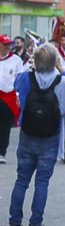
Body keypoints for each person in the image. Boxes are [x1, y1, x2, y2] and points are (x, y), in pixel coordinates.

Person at [5, 45, 65, 226]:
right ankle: (35, 225)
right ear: (54, 61)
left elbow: (15, 85)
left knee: (21, 180)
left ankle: (14, 223)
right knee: (41, 182)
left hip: (27, 134)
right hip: (50, 137)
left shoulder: (27, 78)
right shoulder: (63, 82)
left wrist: (30, 65)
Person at [0, 34, 25, 164]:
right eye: (4, 44)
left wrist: (18, 97)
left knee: (4, 126)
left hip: (8, 96)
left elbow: (20, 78)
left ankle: (2, 152)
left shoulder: (16, 60)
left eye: (9, 44)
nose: (7, 47)